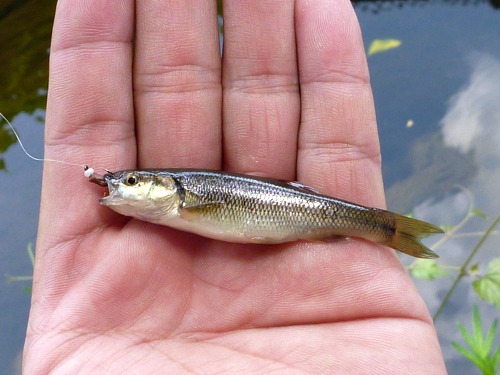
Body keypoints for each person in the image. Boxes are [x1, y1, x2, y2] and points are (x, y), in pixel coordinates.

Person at [23, 0, 446, 373]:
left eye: (132, 182)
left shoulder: (185, 202)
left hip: (295, 213)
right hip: (285, 213)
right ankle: (389, 228)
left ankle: (388, 228)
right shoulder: (175, 204)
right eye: (129, 182)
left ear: (165, 188)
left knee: (352, 218)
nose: (124, 187)